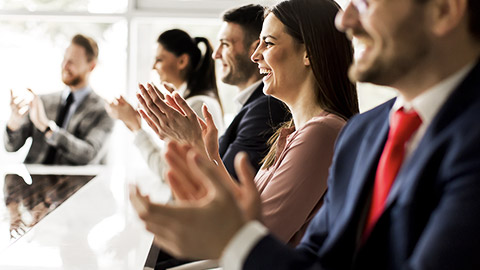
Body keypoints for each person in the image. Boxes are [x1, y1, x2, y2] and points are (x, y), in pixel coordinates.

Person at [130, 0, 480, 268]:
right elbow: (315, 259)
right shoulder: (363, 133)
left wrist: (234, 238)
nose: (346, 20)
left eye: (367, 3)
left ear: (444, 10)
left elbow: (263, 233)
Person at [157, 0, 358, 247]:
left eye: (269, 43)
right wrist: (204, 150)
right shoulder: (292, 133)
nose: (255, 55)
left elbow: (255, 239)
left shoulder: (321, 133)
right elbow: (244, 212)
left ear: (309, 53)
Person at [136, 4, 291, 180]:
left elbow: (229, 185)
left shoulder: (266, 110)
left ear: (254, 49)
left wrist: (188, 140)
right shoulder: (252, 106)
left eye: (225, 44)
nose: (215, 54)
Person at [106, 29, 224, 176]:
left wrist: (136, 127)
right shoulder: (196, 101)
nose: (153, 67)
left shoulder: (197, 106)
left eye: (159, 60)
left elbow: (168, 172)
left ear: (182, 61)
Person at [4, 34, 114, 165]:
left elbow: (89, 154)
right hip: (34, 182)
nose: (65, 65)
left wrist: (47, 128)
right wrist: (14, 124)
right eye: (65, 58)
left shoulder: (104, 110)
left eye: (73, 61)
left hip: (77, 184)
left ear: (91, 66)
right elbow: (11, 147)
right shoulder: (43, 102)